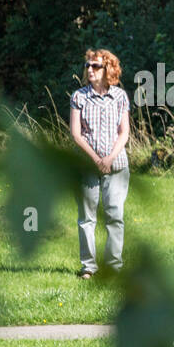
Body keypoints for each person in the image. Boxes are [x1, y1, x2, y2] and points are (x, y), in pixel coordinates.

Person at [69, 49, 131, 278]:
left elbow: (124, 132)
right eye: (88, 66)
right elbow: (76, 134)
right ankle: (89, 267)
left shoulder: (120, 97)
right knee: (87, 217)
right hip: (87, 165)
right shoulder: (79, 97)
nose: (90, 70)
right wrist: (96, 159)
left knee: (115, 215)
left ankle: (113, 266)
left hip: (117, 165)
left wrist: (109, 158)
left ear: (109, 70)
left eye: (95, 66)